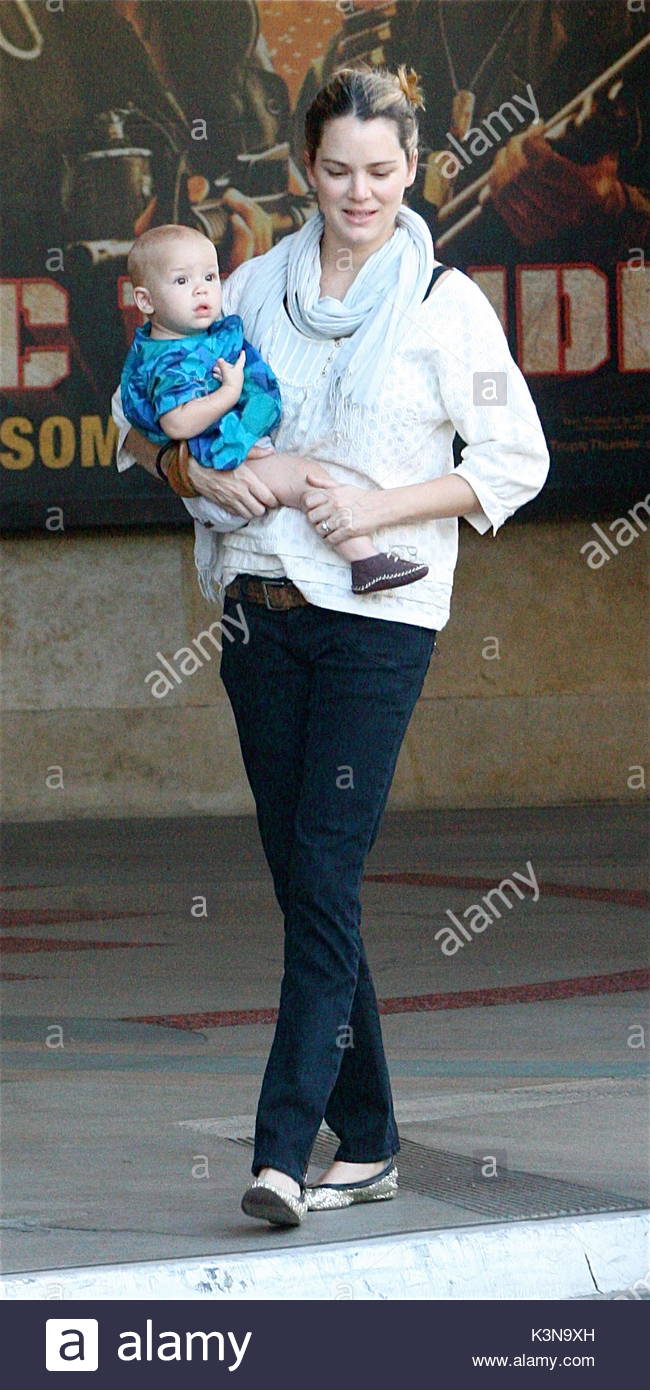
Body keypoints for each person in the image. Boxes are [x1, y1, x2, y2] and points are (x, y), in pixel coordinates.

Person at [112, 63, 549, 1227]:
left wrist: (382, 506)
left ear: (412, 169)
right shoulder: (248, 283)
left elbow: (514, 462)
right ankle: (371, 1137)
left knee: (320, 877)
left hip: (377, 620)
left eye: (382, 169)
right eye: (338, 168)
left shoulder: (442, 301)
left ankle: (275, 1150)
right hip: (260, 615)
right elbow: (135, 410)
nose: (359, 190)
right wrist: (187, 467)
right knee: (311, 886)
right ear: (307, 168)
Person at [121, 222, 429, 594]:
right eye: (182, 282)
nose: (202, 288)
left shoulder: (197, 337)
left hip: (231, 452)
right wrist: (229, 394)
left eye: (210, 276)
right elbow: (177, 422)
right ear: (145, 301)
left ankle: (366, 558)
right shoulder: (170, 361)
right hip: (221, 458)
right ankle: (366, 560)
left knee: (309, 482)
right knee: (308, 480)